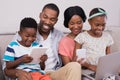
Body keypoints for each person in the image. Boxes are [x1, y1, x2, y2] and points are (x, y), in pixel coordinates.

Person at [4, 3, 81, 80]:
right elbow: (6, 67)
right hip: (28, 74)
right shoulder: (25, 32)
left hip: (52, 74)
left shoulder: (59, 35)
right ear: (40, 15)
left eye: (52, 19)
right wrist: (17, 72)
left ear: (56, 21)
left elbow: (68, 52)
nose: (47, 22)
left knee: (75, 66)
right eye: (45, 17)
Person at [74, 8, 114, 72]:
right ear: (89, 22)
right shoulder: (82, 37)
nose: (100, 28)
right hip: (87, 70)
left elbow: (108, 58)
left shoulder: (107, 37)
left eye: (103, 25)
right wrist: (90, 66)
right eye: (97, 25)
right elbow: (76, 60)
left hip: (102, 70)